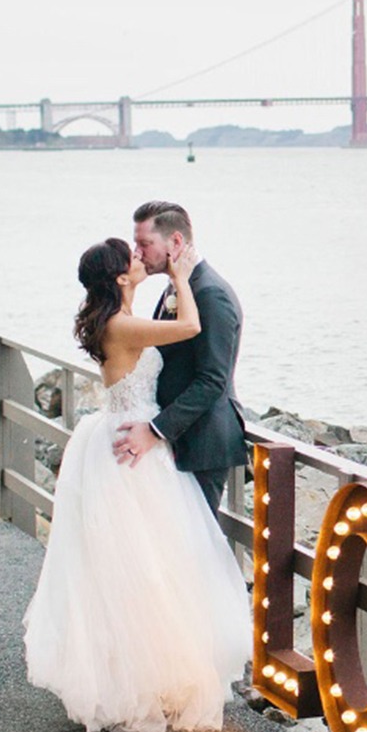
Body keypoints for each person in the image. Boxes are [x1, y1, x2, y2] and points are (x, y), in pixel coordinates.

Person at [23, 237, 252, 732]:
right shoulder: (122, 325)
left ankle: (151, 676)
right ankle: (144, 681)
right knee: (147, 568)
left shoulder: (118, 317)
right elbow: (190, 327)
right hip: (135, 444)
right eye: (130, 255)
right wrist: (181, 275)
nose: (138, 256)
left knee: (147, 566)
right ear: (121, 277)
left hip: (132, 437)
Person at [112, 201, 246, 519]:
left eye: (145, 243)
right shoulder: (180, 285)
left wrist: (156, 430)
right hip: (177, 439)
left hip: (202, 443)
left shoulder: (211, 294)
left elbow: (213, 379)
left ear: (175, 242)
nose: (138, 252)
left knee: (198, 546)